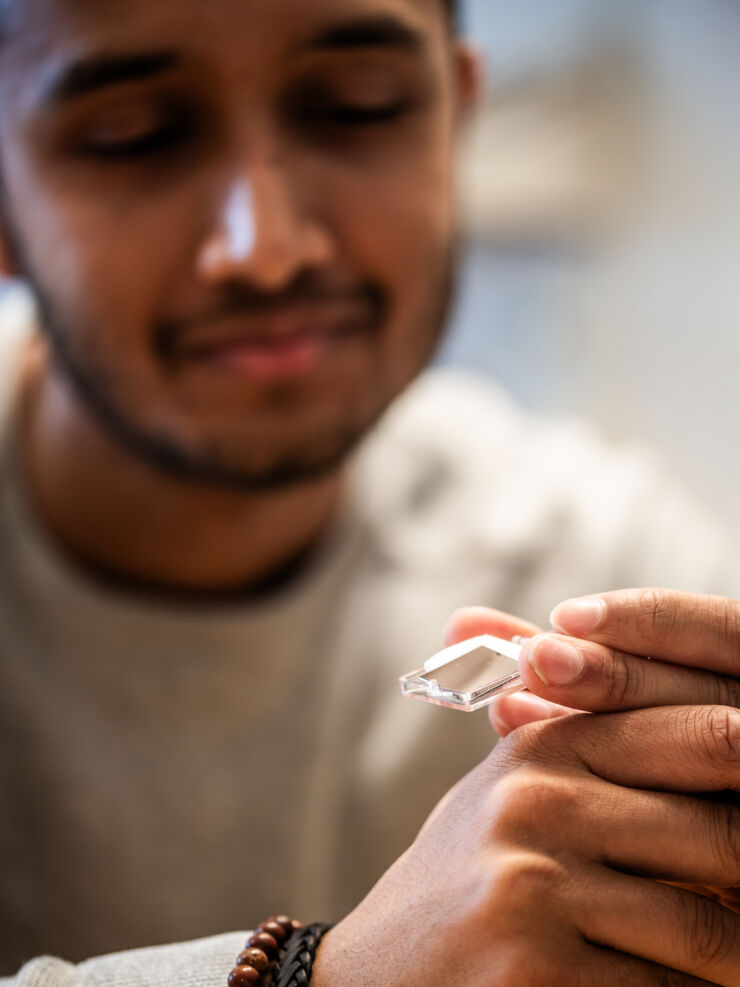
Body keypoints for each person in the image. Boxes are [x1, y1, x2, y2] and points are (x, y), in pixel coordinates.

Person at [0, 0, 737, 982]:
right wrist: (330, 972)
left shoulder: (600, 559)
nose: (266, 248)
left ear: (453, 123)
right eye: (131, 136)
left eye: (357, 108)